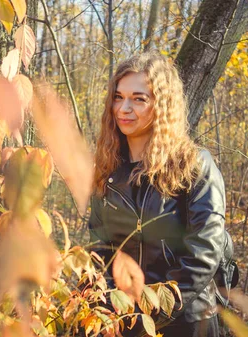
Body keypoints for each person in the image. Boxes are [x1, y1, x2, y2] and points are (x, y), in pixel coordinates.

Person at [88, 51, 226, 337]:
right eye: (118, 97)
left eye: (139, 99)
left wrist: (150, 314)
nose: (123, 108)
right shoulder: (107, 169)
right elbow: (100, 249)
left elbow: (203, 255)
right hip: (119, 318)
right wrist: (103, 305)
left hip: (185, 321)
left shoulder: (194, 165)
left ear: (162, 106)